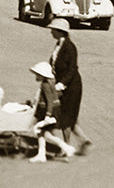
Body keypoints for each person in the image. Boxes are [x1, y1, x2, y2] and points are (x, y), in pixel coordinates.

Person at [46, 18, 92, 155]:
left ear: (60, 31)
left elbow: (72, 69)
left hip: (71, 87)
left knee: (65, 116)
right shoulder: (59, 45)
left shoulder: (70, 47)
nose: (51, 32)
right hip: (62, 84)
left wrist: (61, 84)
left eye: (52, 30)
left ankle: (66, 147)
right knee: (68, 116)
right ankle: (83, 140)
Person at [27, 61, 76, 163]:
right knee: (41, 133)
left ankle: (66, 147)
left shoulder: (45, 85)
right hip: (50, 111)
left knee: (45, 133)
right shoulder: (50, 83)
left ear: (42, 75)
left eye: (37, 74)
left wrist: (48, 115)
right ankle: (41, 154)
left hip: (48, 112)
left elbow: (50, 101)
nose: (35, 76)